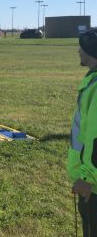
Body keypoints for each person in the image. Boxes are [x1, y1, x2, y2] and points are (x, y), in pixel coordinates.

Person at [68, 28, 97, 237]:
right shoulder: (92, 81)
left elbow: (95, 137)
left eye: (82, 47)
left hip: (93, 187)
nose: (78, 51)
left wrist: (88, 179)